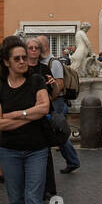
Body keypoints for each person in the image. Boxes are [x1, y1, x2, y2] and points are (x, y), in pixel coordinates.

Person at [0, 35, 51, 204]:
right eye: (18, 58)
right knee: (16, 200)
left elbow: (44, 108)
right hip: (9, 150)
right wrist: (30, 115)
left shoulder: (36, 81)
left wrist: (16, 115)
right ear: (6, 62)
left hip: (37, 149)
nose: (23, 61)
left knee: (34, 199)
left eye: (25, 57)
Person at [37, 35, 80, 174]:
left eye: (37, 45)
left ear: (44, 46)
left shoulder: (53, 62)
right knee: (55, 132)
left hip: (57, 101)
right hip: (50, 101)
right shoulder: (41, 62)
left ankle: (73, 161)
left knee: (58, 132)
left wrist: (48, 99)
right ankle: (72, 161)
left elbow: (59, 83)